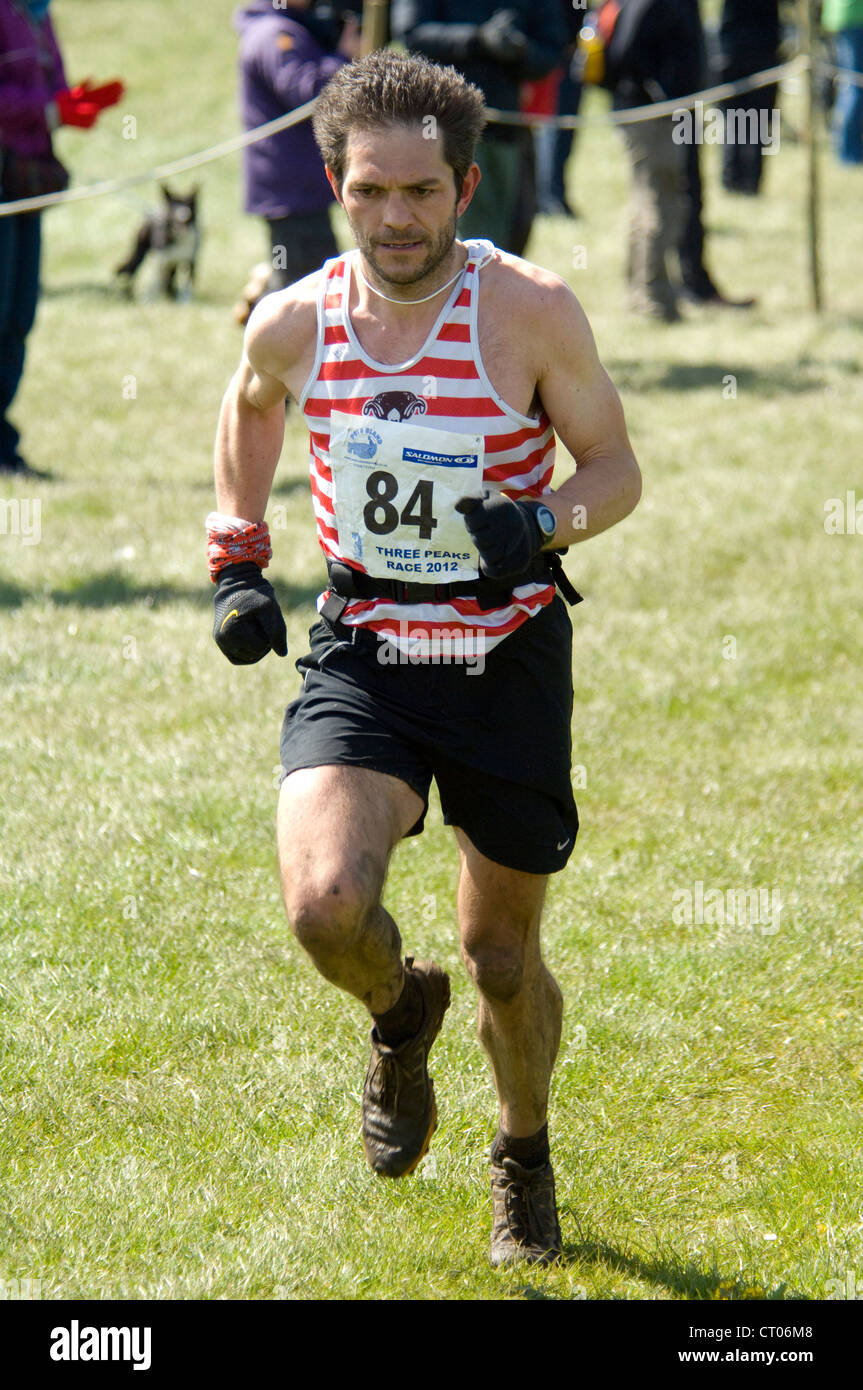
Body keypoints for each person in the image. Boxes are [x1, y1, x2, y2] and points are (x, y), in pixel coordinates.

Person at [208, 49, 641, 1266]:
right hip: (367, 647)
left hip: (503, 650)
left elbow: (616, 469)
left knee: (501, 956)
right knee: (323, 906)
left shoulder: (530, 310)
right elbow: (247, 405)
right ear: (335, 185)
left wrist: (540, 522)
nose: (395, 219)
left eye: (421, 193)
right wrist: (239, 561)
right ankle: (400, 1015)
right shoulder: (298, 319)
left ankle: (522, 1155)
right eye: (368, 193)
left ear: (464, 184)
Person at [0, 0, 122, 475]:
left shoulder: (38, 11)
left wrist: (72, 103)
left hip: (26, 179)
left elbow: (49, 81)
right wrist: (50, 110)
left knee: (17, 315)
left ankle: (2, 445)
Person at [391, 0, 567, 255]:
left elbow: (552, 49)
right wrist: (478, 39)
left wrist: (520, 50)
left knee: (512, 237)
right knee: (450, 237)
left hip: (507, 127)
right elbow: (413, 35)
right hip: (440, 131)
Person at [233, 0, 362, 303]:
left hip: (295, 190)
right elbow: (309, 96)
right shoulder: (275, 35)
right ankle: (265, 305)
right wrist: (345, 55)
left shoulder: (282, 28)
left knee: (310, 285)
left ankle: (265, 289)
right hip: (291, 193)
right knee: (310, 296)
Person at [716, 0, 780, 194]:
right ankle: (743, 180)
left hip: (740, 49)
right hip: (753, 49)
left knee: (740, 119)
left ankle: (739, 179)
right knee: (747, 120)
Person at [821, 0, 863, 164]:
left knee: (852, 88)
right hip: (852, 15)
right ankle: (848, 153)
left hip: (847, 15)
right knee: (854, 89)